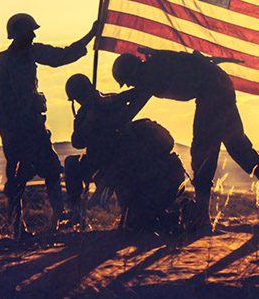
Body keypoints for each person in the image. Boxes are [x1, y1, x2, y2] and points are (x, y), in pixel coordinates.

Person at [112, 49, 259, 227]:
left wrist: (115, 123)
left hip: (212, 94)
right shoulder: (152, 69)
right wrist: (111, 100)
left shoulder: (149, 73)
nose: (129, 85)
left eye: (128, 81)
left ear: (133, 72)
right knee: (238, 147)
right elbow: (136, 94)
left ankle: (202, 217)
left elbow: (134, 105)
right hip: (220, 87)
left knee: (203, 153)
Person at [0, 13, 100, 237]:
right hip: (16, 130)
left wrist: (91, 35)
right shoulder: (1, 64)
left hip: (34, 126)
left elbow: (63, 55)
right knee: (17, 179)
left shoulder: (32, 53)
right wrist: (5, 130)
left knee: (52, 170)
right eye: (30, 32)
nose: (34, 35)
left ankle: (58, 217)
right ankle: (17, 228)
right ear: (17, 35)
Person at [63, 73, 185, 233]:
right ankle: (75, 212)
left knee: (135, 213)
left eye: (81, 95)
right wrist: (86, 125)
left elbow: (125, 111)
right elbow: (77, 142)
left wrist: (106, 106)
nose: (81, 100)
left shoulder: (109, 102)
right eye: (78, 97)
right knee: (71, 163)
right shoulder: (83, 114)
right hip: (98, 161)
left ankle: (149, 218)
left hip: (120, 161)